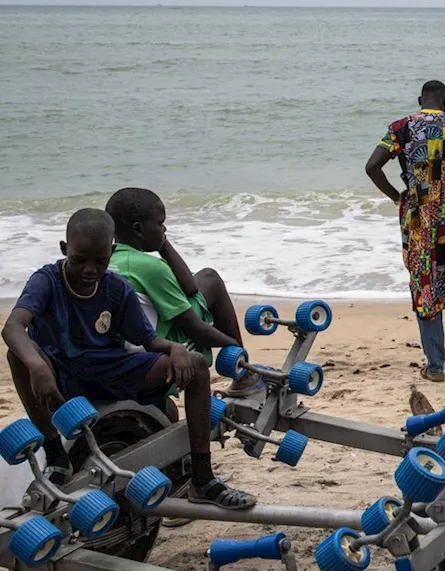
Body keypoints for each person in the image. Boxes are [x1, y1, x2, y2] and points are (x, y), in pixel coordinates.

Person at [2, 209, 256, 507]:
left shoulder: (116, 288)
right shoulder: (46, 280)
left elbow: (147, 340)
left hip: (111, 369)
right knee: (17, 356)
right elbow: (12, 326)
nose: (89, 269)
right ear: (64, 250)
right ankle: (56, 454)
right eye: (79, 259)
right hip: (63, 376)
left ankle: (202, 478)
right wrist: (37, 367)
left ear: (111, 252)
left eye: (100, 261)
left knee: (197, 365)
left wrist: (174, 349)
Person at [365, 80, 445, 381]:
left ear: (419, 99)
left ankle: (436, 369)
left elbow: (372, 166)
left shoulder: (402, 128)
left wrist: (397, 195)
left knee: (426, 290)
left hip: (419, 226)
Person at [104, 188, 260, 397]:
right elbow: (194, 327)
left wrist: (161, 242)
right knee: (211, 279)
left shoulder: (110, 259)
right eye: (160, 224)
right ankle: (244, 375)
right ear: (138, 229)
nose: (165, 228)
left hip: (126, 344)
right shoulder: (149, 267)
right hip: (155, 346)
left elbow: (190, 288)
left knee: (204, 279)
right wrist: (234, 347)